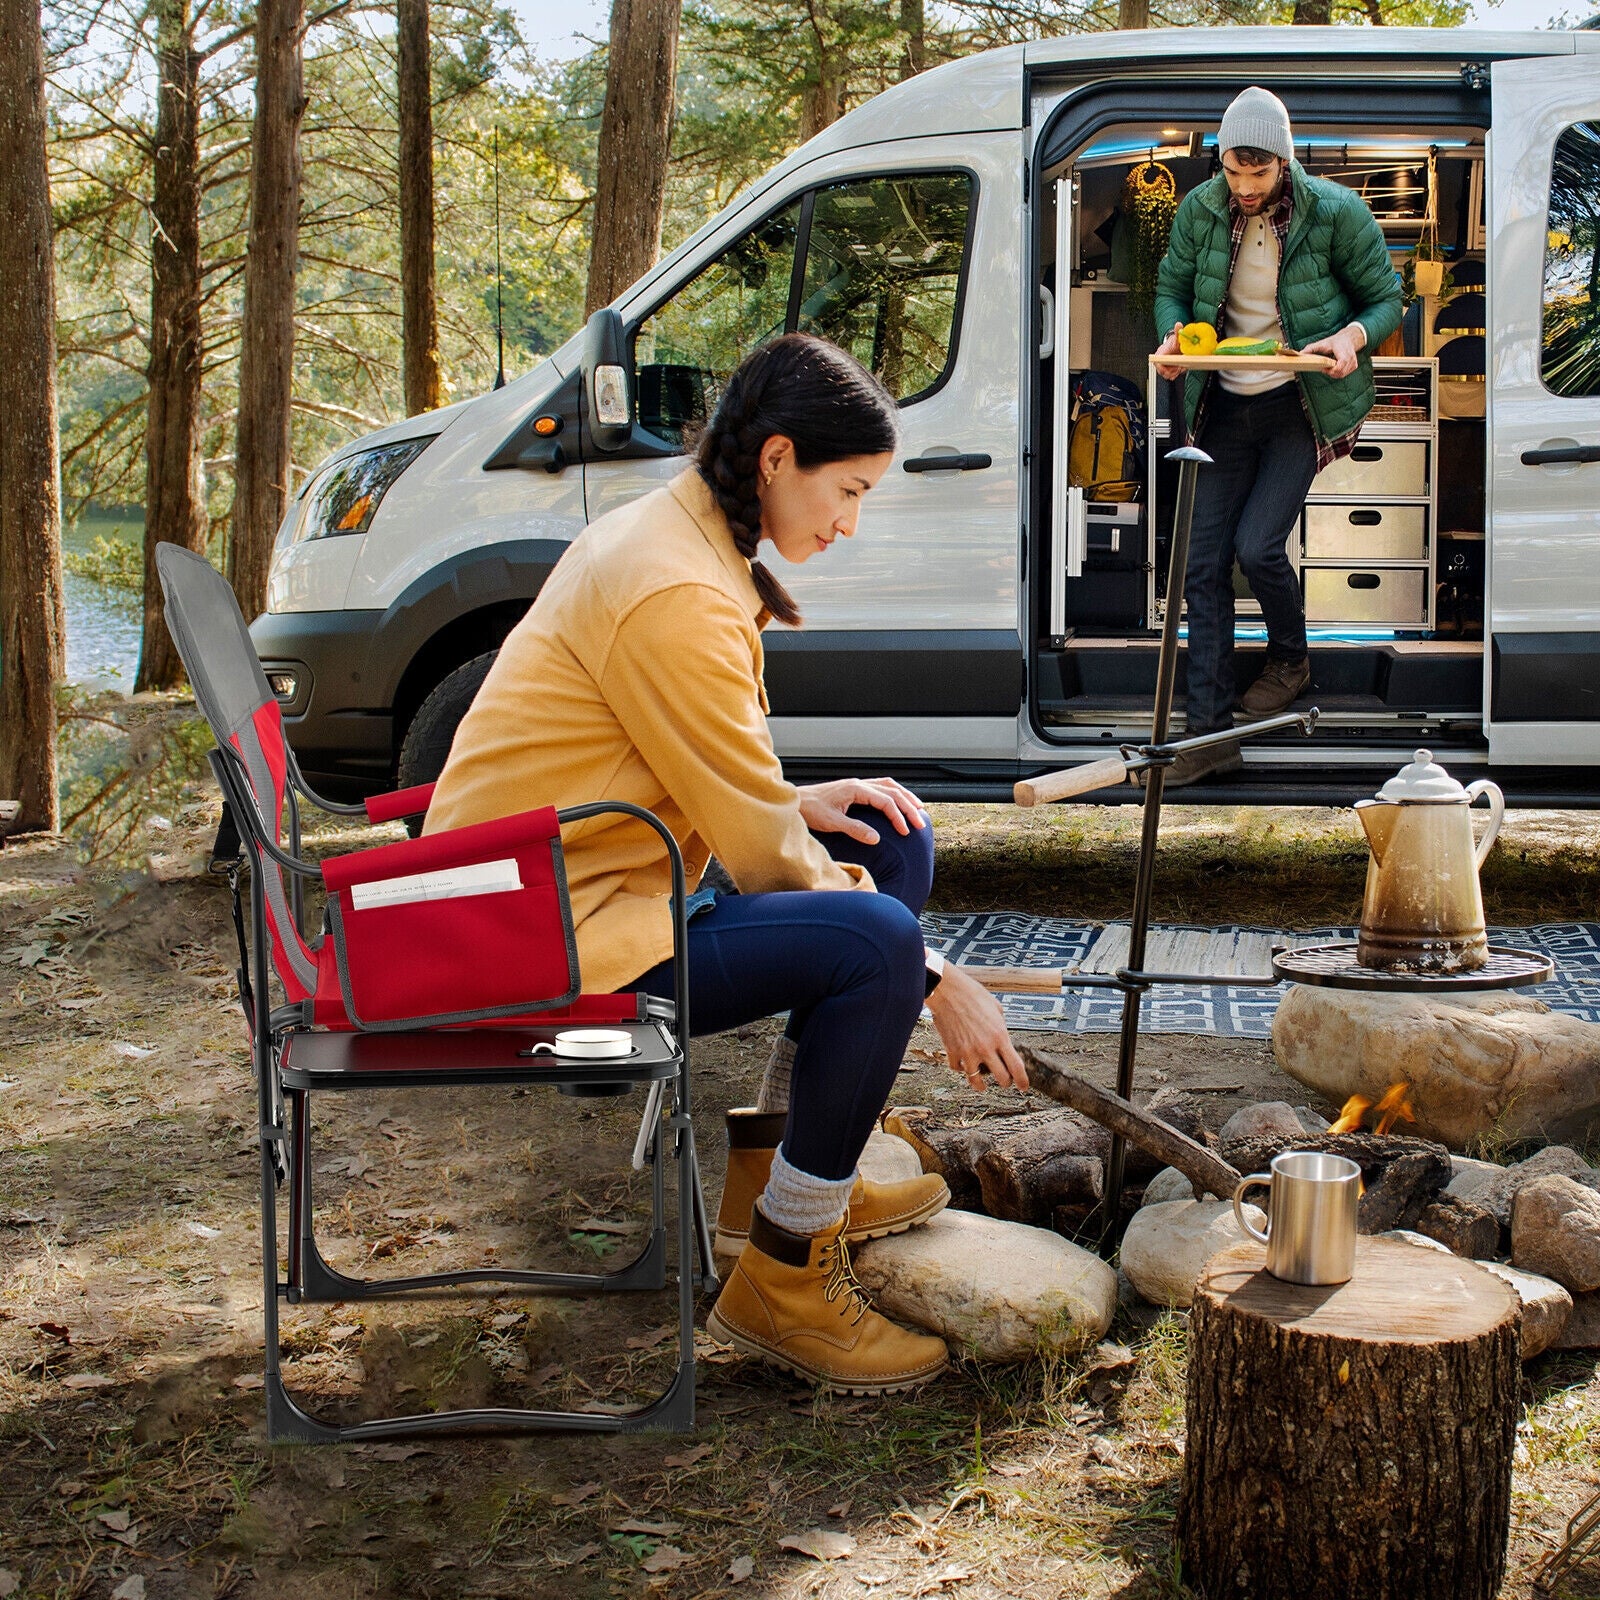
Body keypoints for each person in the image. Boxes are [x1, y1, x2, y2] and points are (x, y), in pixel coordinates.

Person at [424, 333, 1028, 1394]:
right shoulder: (673, 588)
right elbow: (761, 858)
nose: (850, 523)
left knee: (889, 838)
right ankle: (786, 1276)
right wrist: (940, 978)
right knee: (880, 945)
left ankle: (780, 1179)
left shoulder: (683, 542)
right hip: (539, 935)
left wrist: (793, 803)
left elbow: (677, 779)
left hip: (604, 880)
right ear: (778, 458)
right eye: (848, 491)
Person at [1152, 87, 1403, 785]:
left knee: (1258, 546)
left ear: (1284, 163)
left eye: (1258, 173)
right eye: (1233, 172)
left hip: (1299, 402)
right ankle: (1207, 737)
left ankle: (1290, 659)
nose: (1244, 187)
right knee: (1200, 564)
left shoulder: (1337, 212)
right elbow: (1171, 288)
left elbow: (1387, 299)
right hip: (1222, 404)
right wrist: (1171, 333)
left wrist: (1352, 338)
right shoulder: (1199, 210)